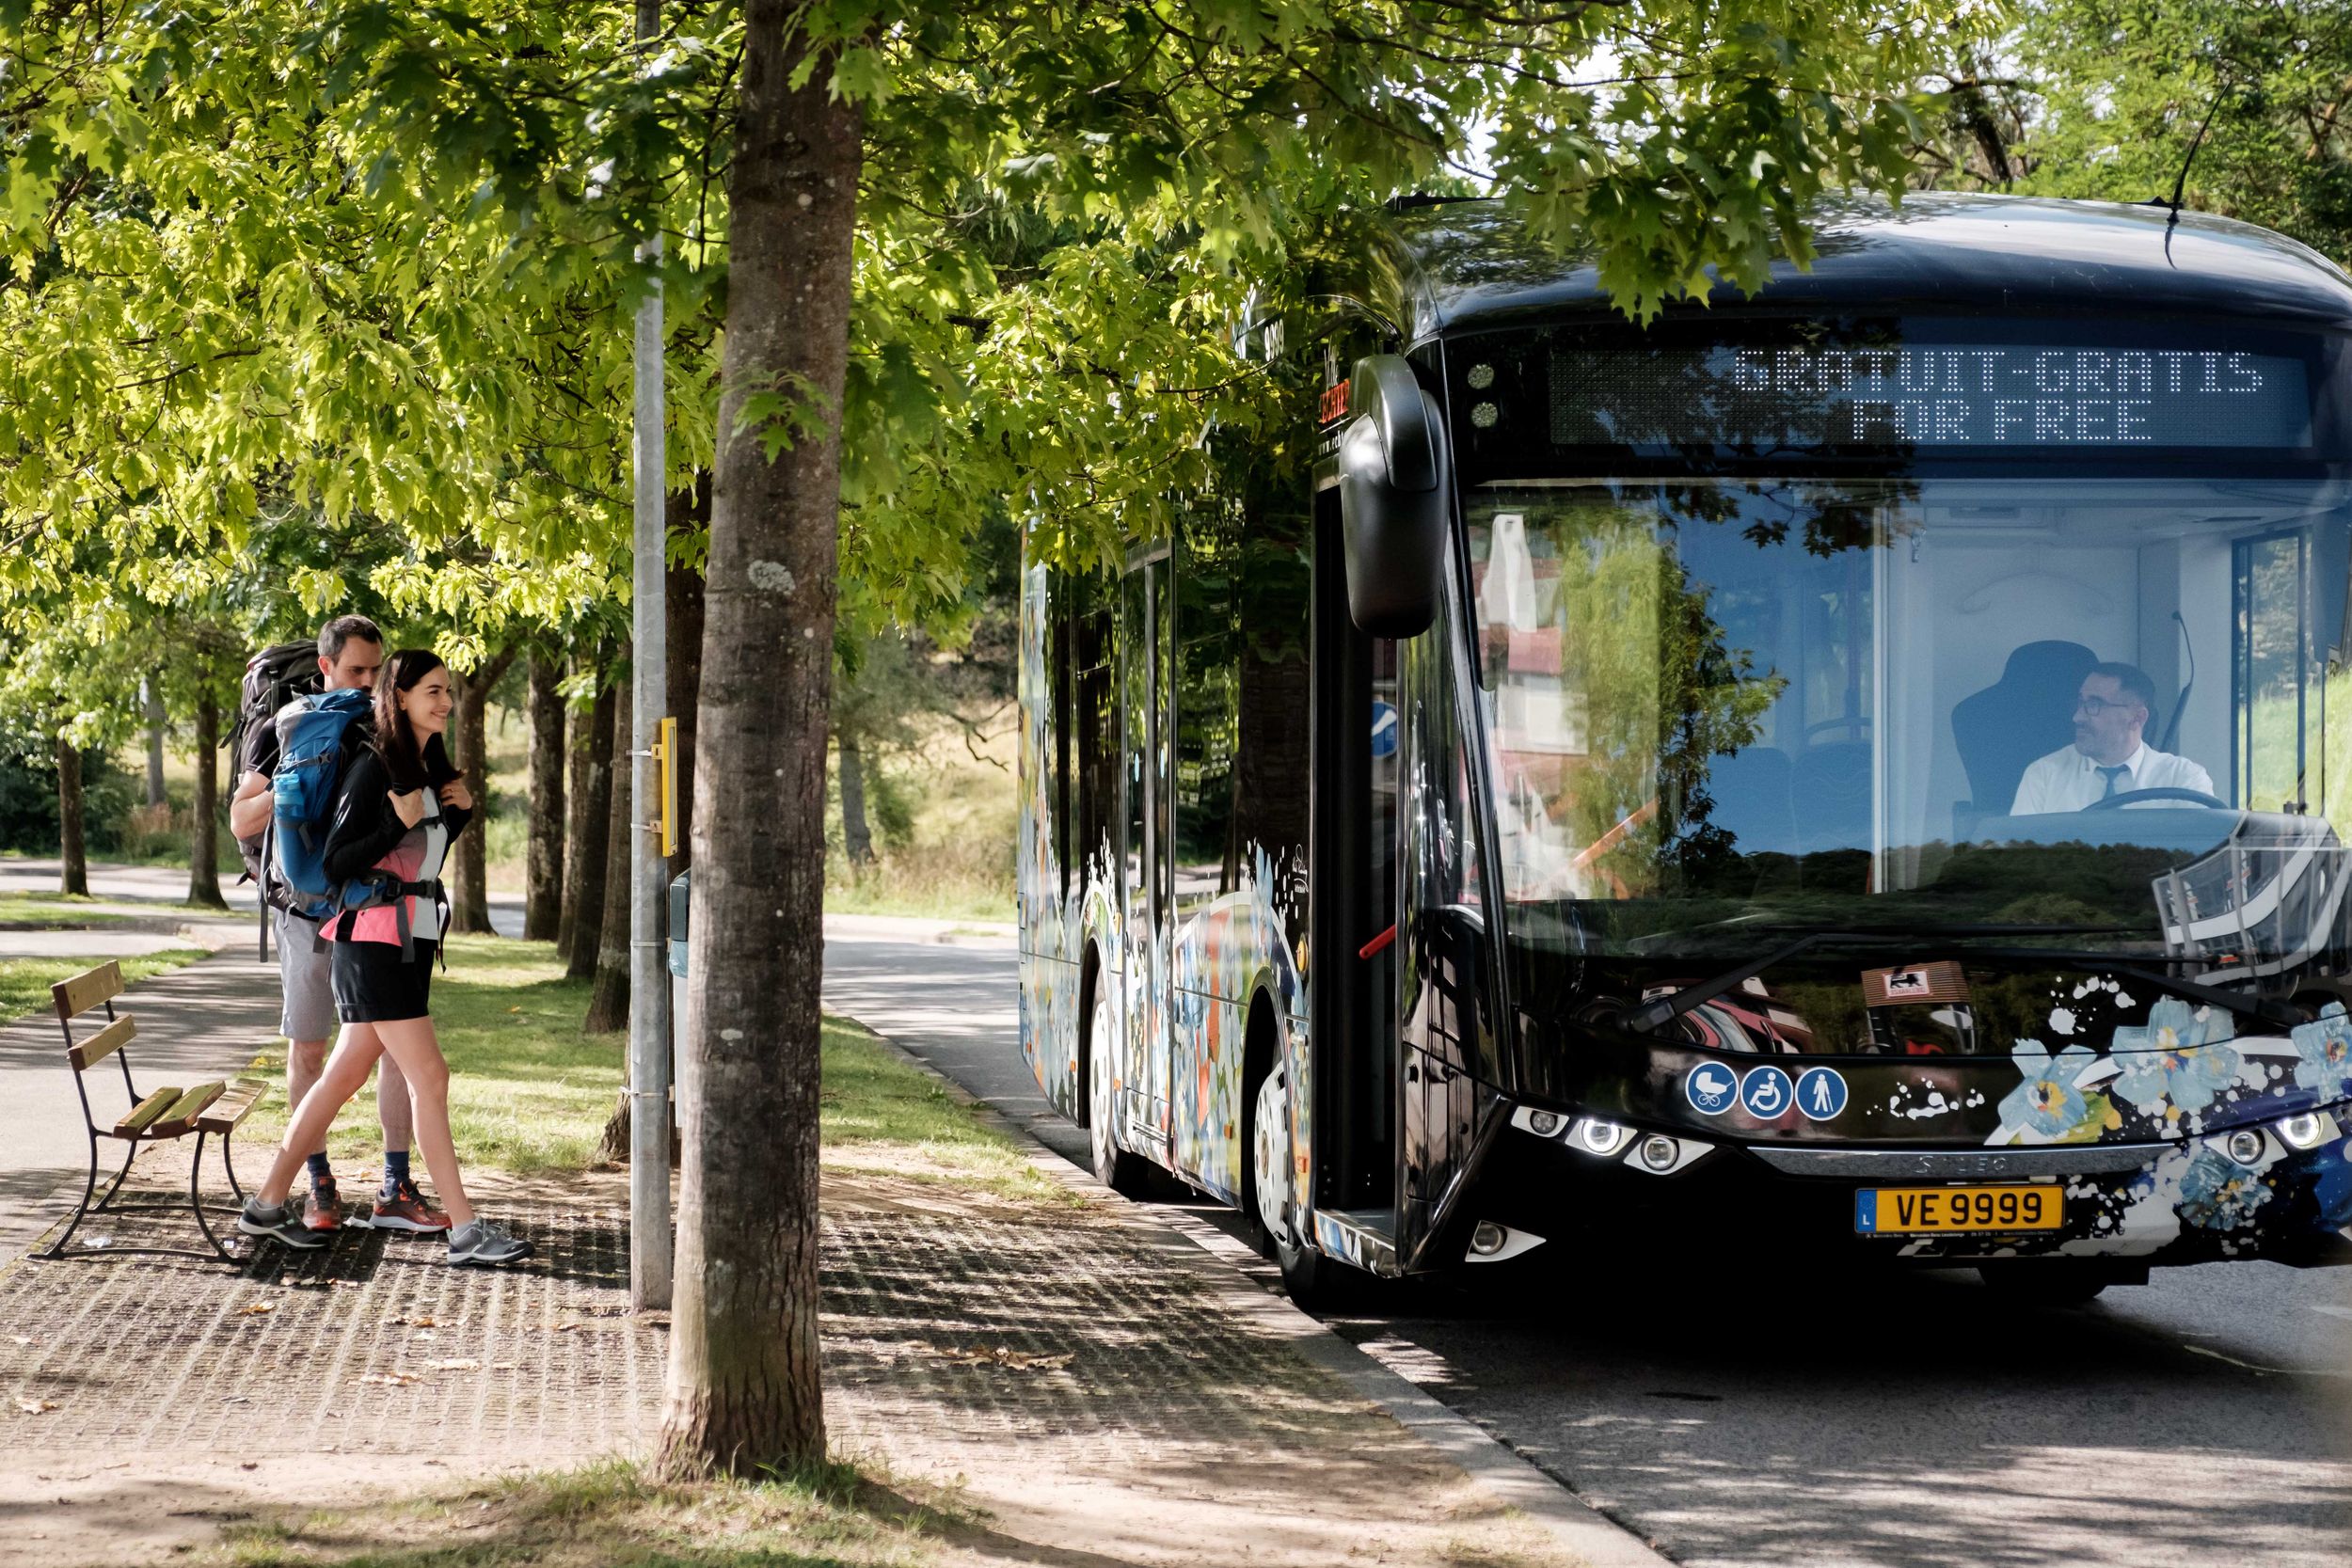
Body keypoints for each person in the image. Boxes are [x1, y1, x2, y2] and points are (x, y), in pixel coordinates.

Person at [237, 649, 532, 1267]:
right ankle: (466, 1231)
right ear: (399, 696)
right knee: (432, 1077)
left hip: (407, 941)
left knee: (340, 1078)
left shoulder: (427, 764)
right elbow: (342, 861)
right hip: (373, 942)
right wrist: (396, 826)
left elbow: (422, 857)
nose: (445, 702)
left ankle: (265, 1204)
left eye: (448, 691)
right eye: (432, 691)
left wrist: (458, 817)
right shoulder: (374, 764)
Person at [227, 616, 444, 1236]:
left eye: (378, 672)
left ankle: (394, 1182)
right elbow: (243, 820)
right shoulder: (285, 726)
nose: (368, 682)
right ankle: (316, 1181)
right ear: (325, 667)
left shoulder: (386, 725)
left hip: (374, 913)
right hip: (306, 910)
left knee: (397, 1056)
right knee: (311, 1048)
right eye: (356, 671)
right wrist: (291, 789)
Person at [2010, 661, 2216, 815]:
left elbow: (2201, 861)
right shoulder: (2044, 775)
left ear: (2137, 717)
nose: (2078, 716)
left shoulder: (2183, 779)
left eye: (2094, 705)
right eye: (2081, 703)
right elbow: (2018, 863)